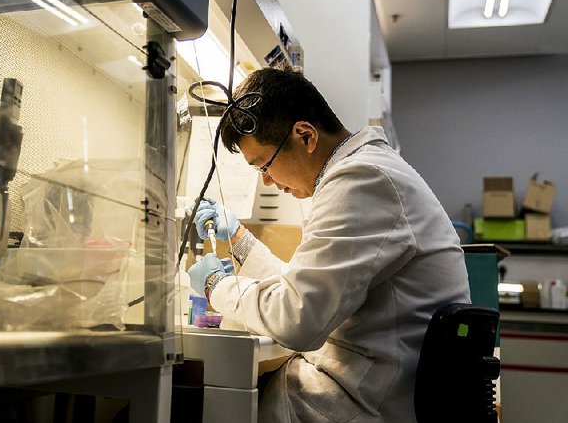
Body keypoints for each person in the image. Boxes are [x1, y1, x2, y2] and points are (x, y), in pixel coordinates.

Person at [188, 69, 470, 423]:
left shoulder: (361, 180)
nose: (268, 182)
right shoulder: (368, 172)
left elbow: (296, 319)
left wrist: (218, 286)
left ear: (305, 135)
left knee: (188, 407)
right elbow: (305, 287)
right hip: (371, 386)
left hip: (364, 402)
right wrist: (239, 241)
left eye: (265, 165)